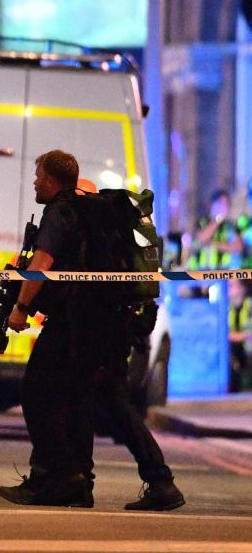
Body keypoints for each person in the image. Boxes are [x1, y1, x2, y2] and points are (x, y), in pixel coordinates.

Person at [74, 179, 186, 510]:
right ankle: (83, 480)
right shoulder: (124, 225)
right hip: (121, 322)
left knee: (112, 402)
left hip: (103, 325)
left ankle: (159, 479)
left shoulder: (94, 223)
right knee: (99, 398)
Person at [0, 150, 97, 507]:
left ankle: (63, 475)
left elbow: (42, 263)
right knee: (68, 401)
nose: (36, 181)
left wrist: (21, 308)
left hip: (68, 320)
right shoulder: (83, 210)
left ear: (52, 180)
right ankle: (72, 482)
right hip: (88, 320)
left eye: (38, 175)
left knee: (36, 394)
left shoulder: (58, 212)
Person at [188, 188, 243, 270]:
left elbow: (238, 247)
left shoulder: (232, 226)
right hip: (200, 273)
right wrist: (218, 220)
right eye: (221, 203)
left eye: (227, 204)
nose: (224, 207)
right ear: (212, 204)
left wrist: (212, 243)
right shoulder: (202, 222)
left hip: (223, 274)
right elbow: (200, 239)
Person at [228, 280, 251, 392]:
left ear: (243, 288)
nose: (228, 288)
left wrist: (230, 336)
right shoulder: (226, 306)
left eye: (232, 285)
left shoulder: (250, 305)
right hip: (236, 349)